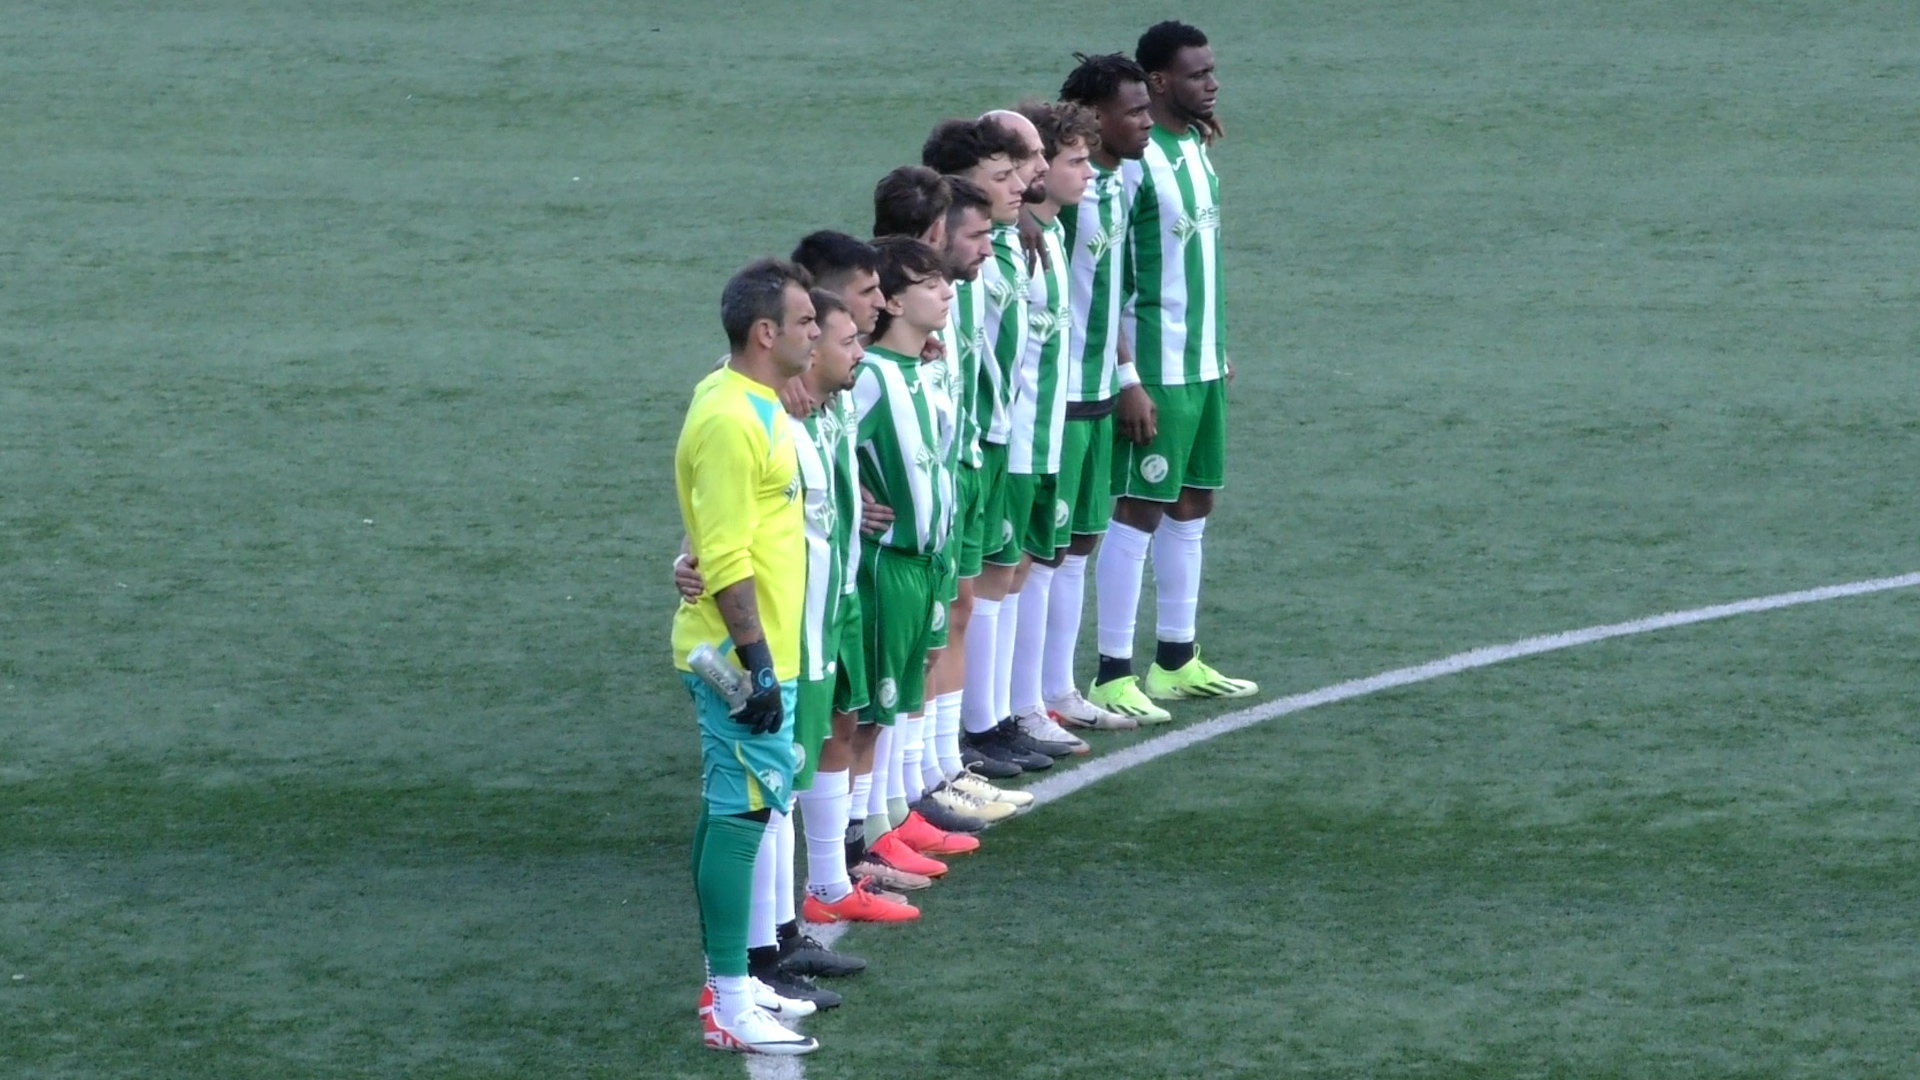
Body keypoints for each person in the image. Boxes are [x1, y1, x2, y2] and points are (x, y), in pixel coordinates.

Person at [674, 257, 822, 1056]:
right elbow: (727, 558)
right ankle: (730, 998)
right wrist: (759, 666)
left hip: (759, 649)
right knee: (743, 817)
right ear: (765, 333)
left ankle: (729, 978)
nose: (816, 332)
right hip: (741, 660)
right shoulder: (737, 419)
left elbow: (712, 531)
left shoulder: (738, 399)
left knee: (737, 811)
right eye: (804, 321)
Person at [1091, 21, 1259, 719]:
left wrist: (1217, 353)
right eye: (1197, 74)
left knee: (1194, 503)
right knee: (1139, 510)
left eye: (1212, 71)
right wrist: (1127, 378)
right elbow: (1105, 278)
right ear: (1158, 81)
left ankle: (1176, 658)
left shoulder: (1192, 142)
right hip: (1153, 364)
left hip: (1201, 361)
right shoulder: (1131, 163)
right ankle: (1110, 672)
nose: (1211, 83)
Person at [850, 236, 980, 879]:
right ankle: (861, 839)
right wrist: (855, 491)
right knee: (868, 712)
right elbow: (820, 435)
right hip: (888, 563)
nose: (948, 291)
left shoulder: (921, 369)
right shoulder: (870, 375)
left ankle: (887, 817)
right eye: (931, 284)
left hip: (928, 560)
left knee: (897, 700)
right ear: (894, 302)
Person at [1047, 51, 1158, 727]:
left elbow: (1108, 295)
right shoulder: (1065, 204)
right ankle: (1020, 703)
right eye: (1135, 110)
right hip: (1054, 397)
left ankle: (1055, 693)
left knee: (1080, 541)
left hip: (1095, 390)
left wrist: (1123, 373)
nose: (1147, 121)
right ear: (1092, 120)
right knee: (1042, 551)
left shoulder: (1117, 187)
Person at [997, 100, 1108, 757]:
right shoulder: (1009, 247)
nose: (1083, 172)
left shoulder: (1049, 239)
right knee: (1005, 578)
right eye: (1070, 160)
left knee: (1029, 567)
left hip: (1043, 434)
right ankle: (1006, 714)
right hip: (1012, 441)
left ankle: (1024, 705)